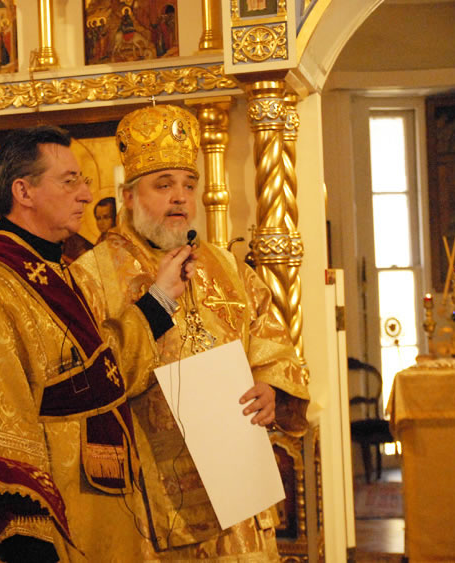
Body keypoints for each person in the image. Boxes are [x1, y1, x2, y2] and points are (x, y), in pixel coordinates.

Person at [0, 125, 195, 561]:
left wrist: (160, 300)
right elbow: (1, 437)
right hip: (57, 525)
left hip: (101, 509)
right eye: (69, 181)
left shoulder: (53, 271)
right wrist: (29, 543)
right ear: (24, 191)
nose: (86, 195)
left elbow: (102, 374)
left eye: (84, 180)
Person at [72, 104, 311, 560]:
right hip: (156, 507)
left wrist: (271, 389)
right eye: (163, 185)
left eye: (188, 185)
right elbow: (93, 381)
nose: (180, 198)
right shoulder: (92, 277)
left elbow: (274, 345)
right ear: (128, 196)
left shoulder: (226, 266)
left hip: (240, 494)